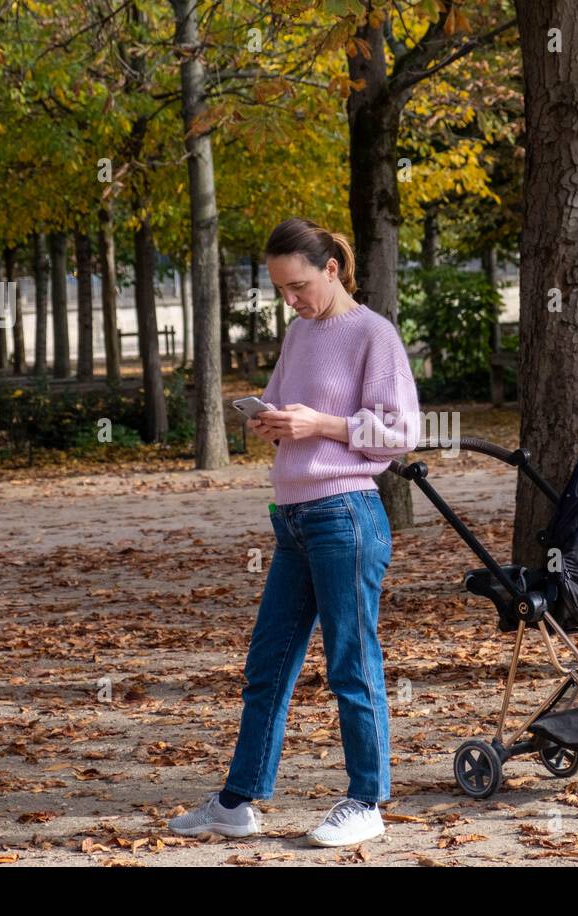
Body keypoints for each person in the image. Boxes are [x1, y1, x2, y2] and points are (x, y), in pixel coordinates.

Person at [170, 217, 420, 848]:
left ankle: (367, 800)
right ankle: (237, 802)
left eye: (299, 285)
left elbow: (401, 434)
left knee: (351, 663)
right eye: (281, 289)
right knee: (268, 665)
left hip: (347, 517)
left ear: (331, 269)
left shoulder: (373, 334)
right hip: (293, 520)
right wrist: (273, 422)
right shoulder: (299, 334)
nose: (291, 299)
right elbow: (288, 411)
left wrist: (323, 426)